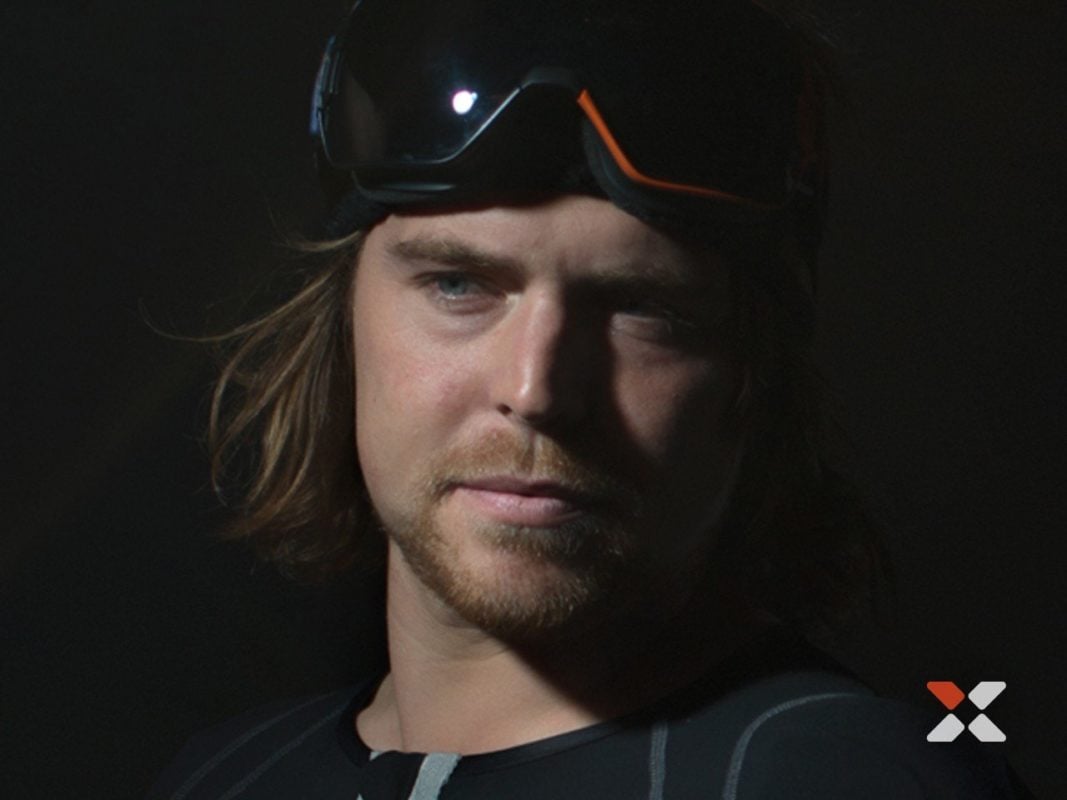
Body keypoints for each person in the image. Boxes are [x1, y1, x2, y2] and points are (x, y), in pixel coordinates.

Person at [149, 1, 1032, 798]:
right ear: (342, 323)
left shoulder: (848, 775)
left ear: (749, 374)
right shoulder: (224, 775)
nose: (535, 390)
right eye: (458, 285)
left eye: (642, 308)